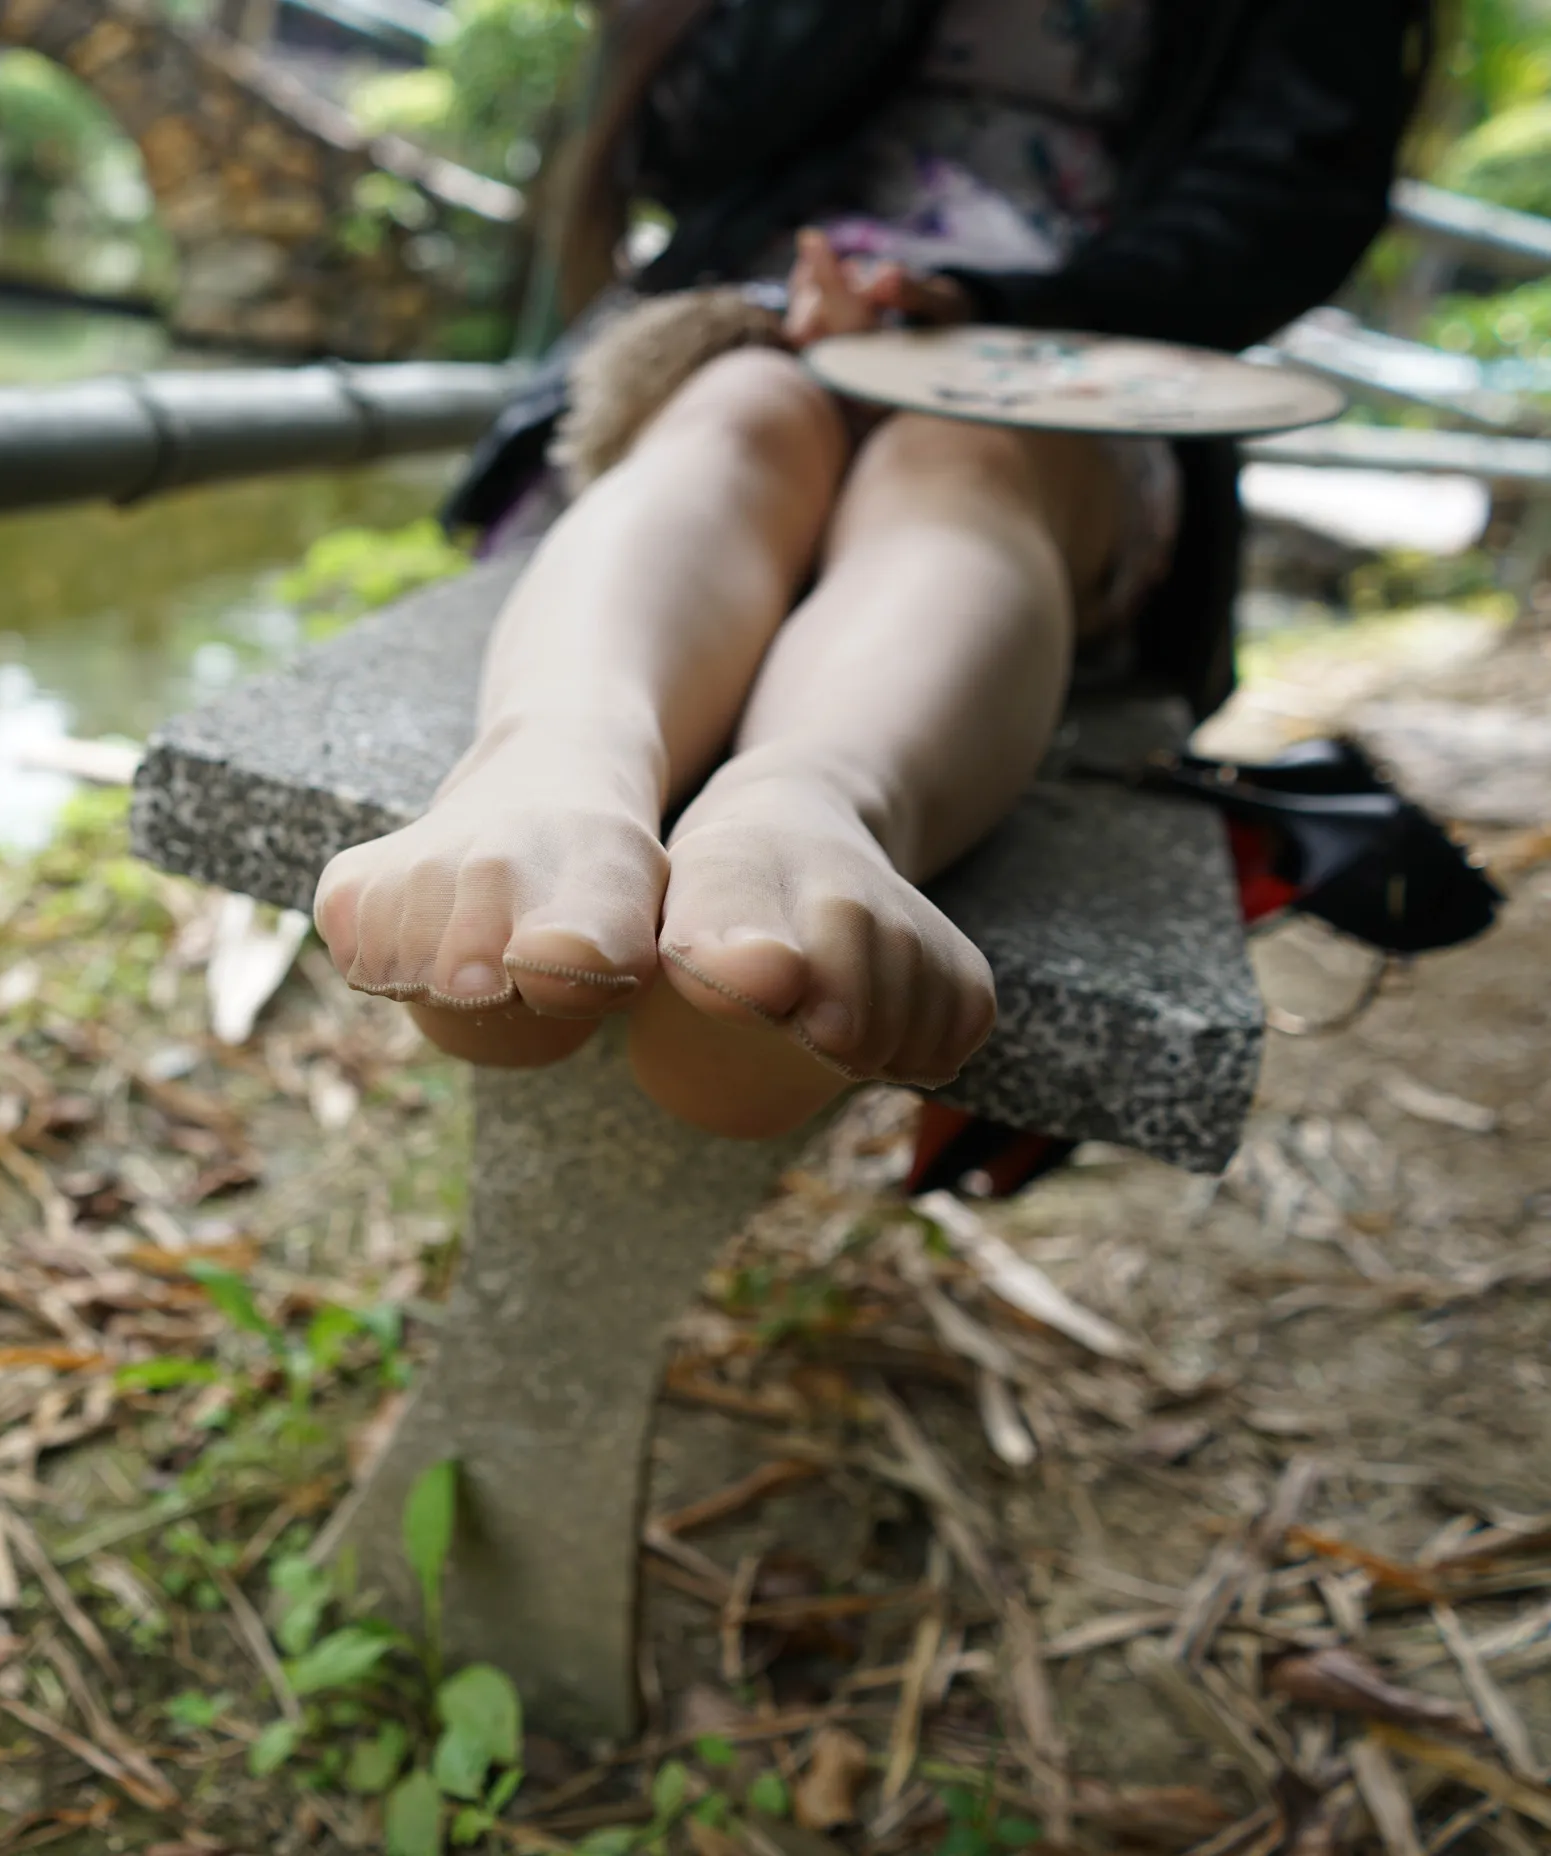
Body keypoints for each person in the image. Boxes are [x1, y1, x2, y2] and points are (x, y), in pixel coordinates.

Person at [311, 0, 1433, 1139]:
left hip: (1082, 357)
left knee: (968, 453)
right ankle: (552, 762)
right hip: (769, 302)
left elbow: (1290, 201)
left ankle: (812, 808)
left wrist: (994, 308)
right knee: (738, 410)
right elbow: (682, 140)